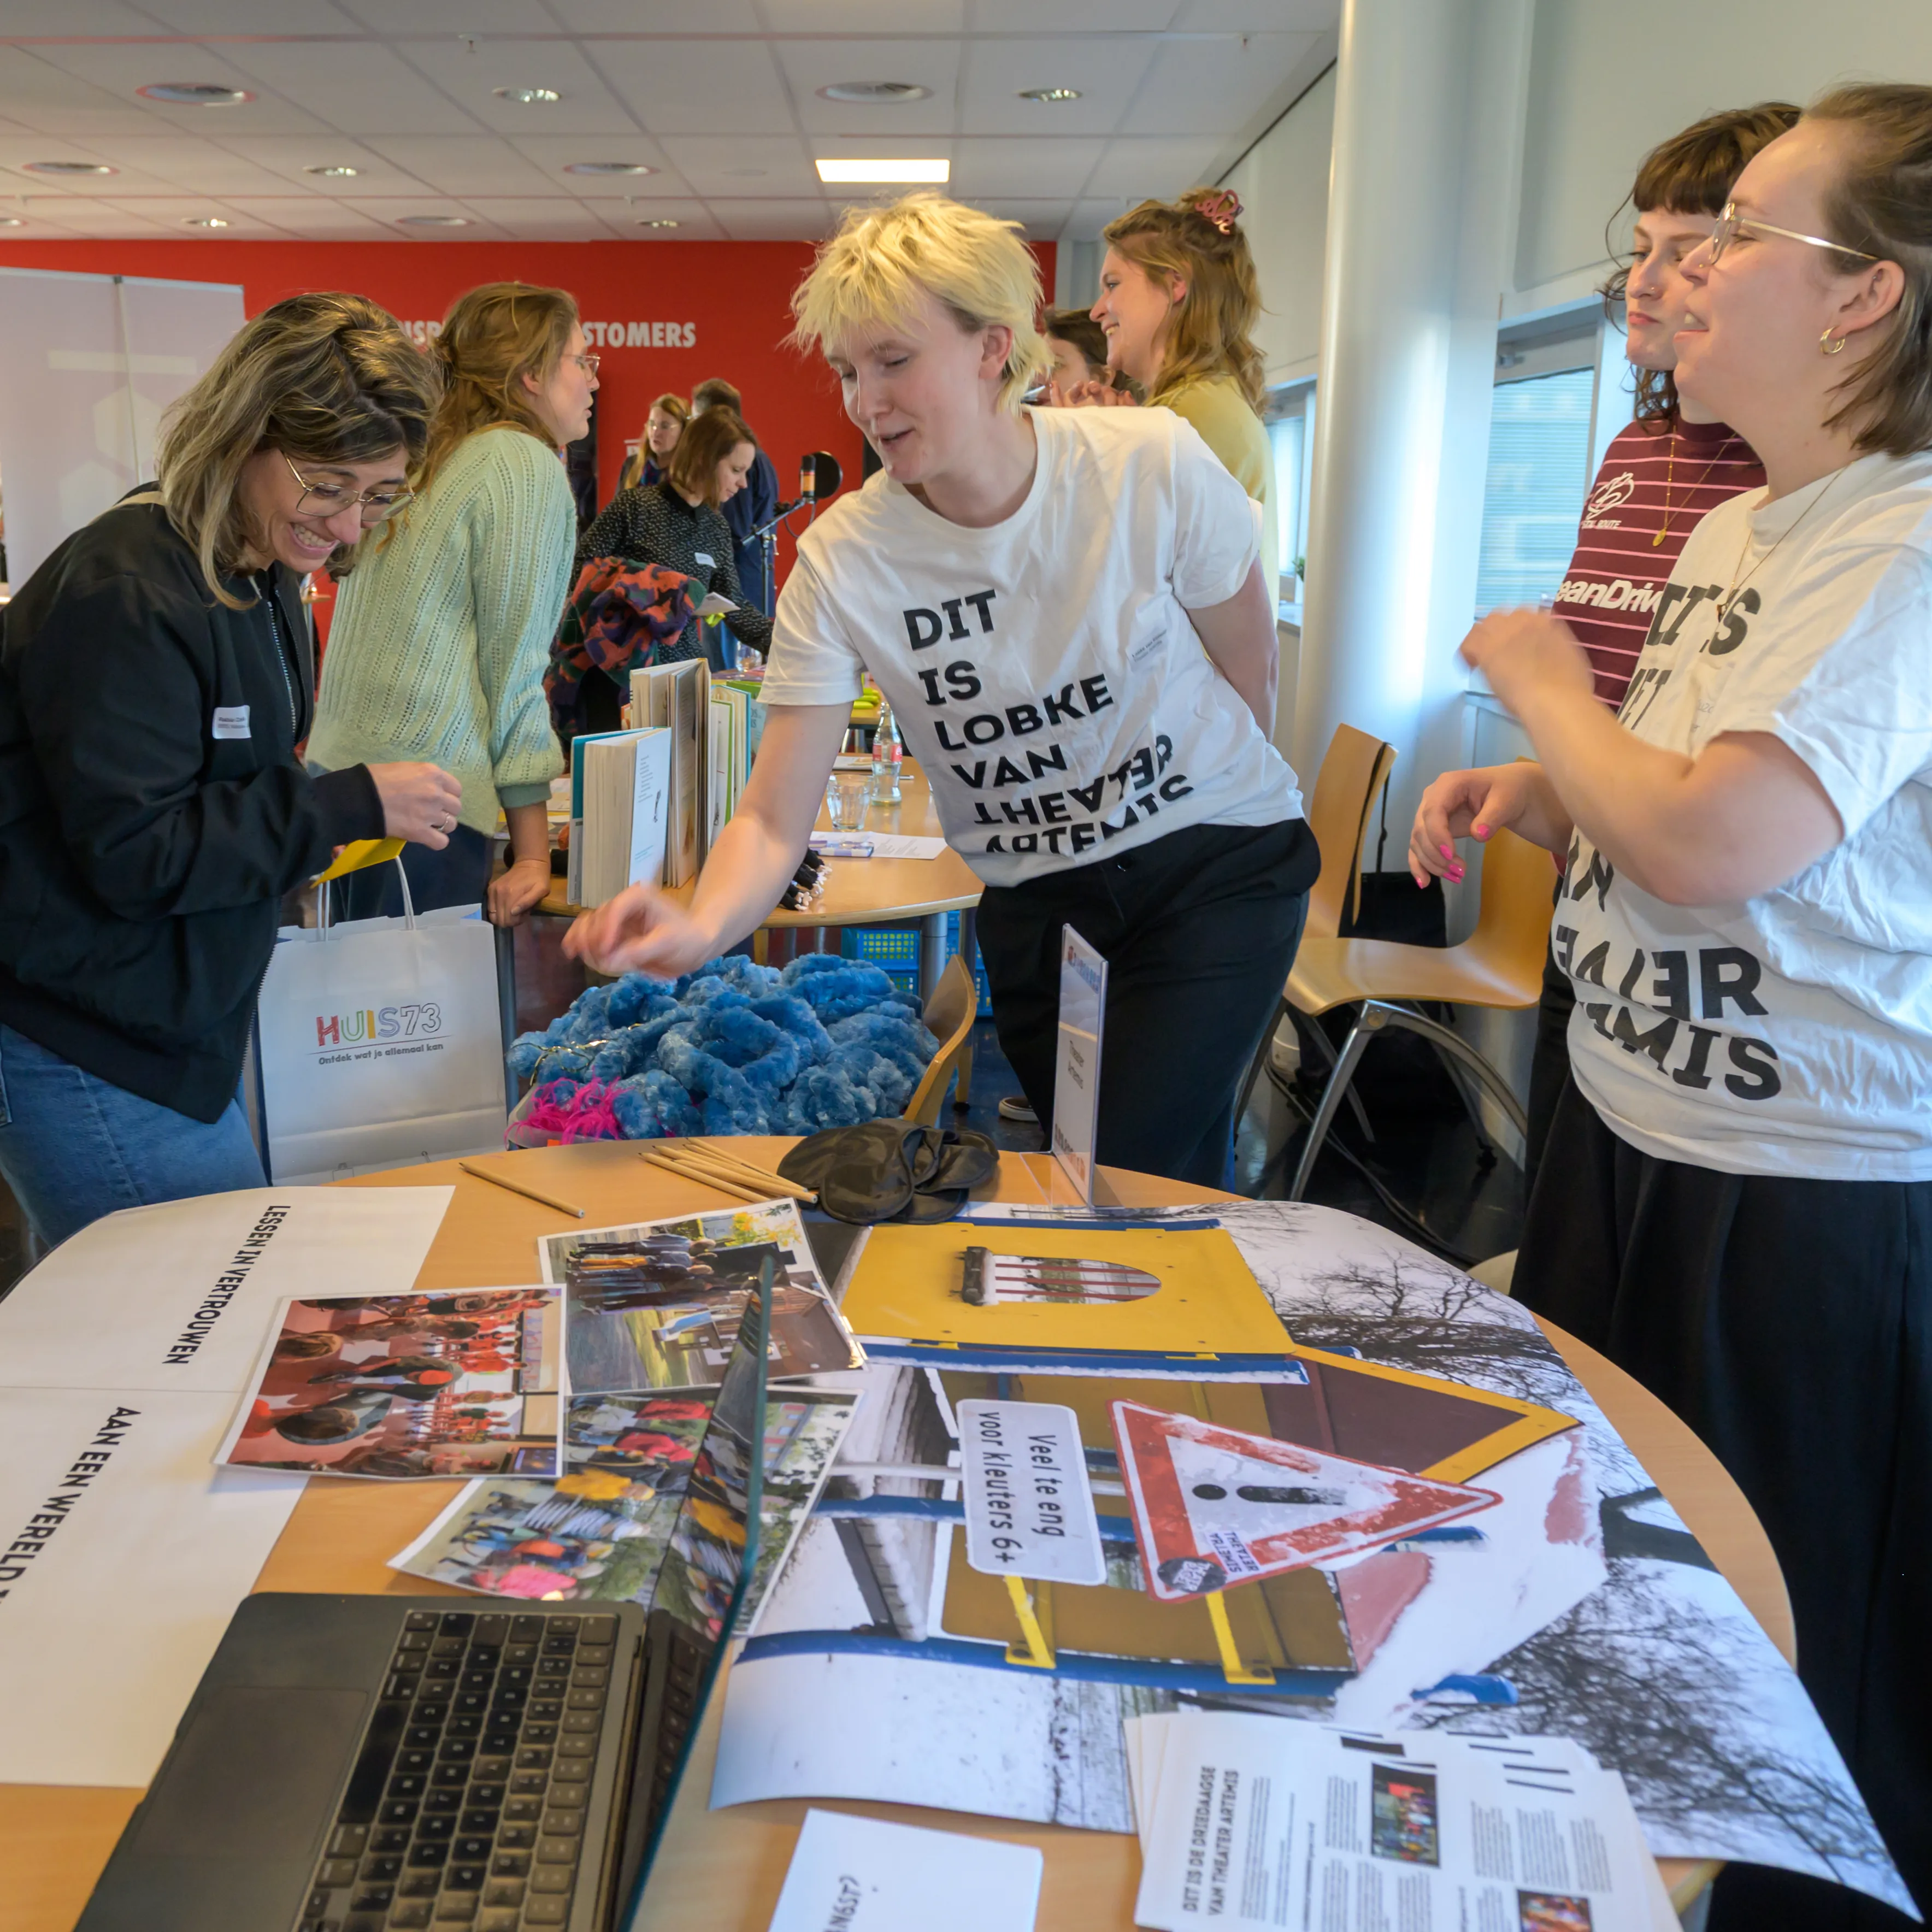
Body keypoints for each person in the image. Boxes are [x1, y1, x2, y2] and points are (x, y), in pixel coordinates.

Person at [1408, 85, 1932, 1929]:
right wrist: (1549, 786)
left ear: (1862, 297)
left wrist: (1543, 686)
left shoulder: (1901, 541)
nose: (1688, 270)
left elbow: (1716, 837)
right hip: (1626, 1133)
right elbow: (1675, 786)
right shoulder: (1746, 528)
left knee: (1790, 1686)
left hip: (1796, 1203)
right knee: (1609, 1600)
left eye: (1742, 236)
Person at [566, 193, 1317, 1187]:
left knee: (1121, 1181)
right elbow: (773, 817)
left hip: (1212, 865)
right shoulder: (844, 558)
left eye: (894, 360)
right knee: (1118, 1179)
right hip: (1038, 905)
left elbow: (1249, 670)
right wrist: (701, 925)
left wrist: (1213, 798)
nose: (865, 402)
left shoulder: (1151, 462)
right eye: (848, 371)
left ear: (993, 348)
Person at [0, 292, 461, 1248]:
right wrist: (345, 805)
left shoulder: (260, 572)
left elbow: (226, 785)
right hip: (84, 1039)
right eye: (327, 486)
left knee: (156, 1305)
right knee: (196, 1299)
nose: (350, 526)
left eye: (380, 495)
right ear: (244, 436)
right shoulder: (127, 590)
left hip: (172, 1026)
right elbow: (138, 852)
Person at [1509, 104, 1795, 1183]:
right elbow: (1620, 696)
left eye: (1688, 252)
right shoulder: (1636, 447)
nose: (1647, 282)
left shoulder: (1789, 484)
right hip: (1597, 920)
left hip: (1721, 985)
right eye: (1641, 250)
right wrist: (1543, 783)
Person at [310, 281, 596, 925]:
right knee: (408, 993)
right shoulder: (521, 464)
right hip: (424, 802)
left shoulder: (427, 454)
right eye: (581, 360)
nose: (592, 380)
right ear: (530, 375)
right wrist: (531, 854)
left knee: (353, 985)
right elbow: (514, 672)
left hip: (343, 782)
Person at [1079, 187, 1278, 604]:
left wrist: (1090, 455)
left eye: (1113, 285)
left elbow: (1119, 575)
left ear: (1175, 285)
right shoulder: (1204, 399)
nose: (1097, 311)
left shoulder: (1189, 414)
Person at [570, 403, 775, 703]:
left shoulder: (716, 527)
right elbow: (581, 572)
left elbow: (735, 606)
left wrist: (789, 644)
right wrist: (649, 589)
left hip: (685, 676)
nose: (743, 483)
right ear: (704, 459)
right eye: (736, 470)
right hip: (621, 675)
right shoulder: (634, 507)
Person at [693, 375, 780, 616]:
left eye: (696, 420)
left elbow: (733, 532)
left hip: (733, 594)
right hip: (746, 586)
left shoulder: (739, 463)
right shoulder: (758, 458)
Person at [619, 391, 688, 493]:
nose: (656, 432)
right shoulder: (631, 465)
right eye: (652, 424)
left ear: (683, 431)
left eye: (665, 426)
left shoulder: (690, 474)